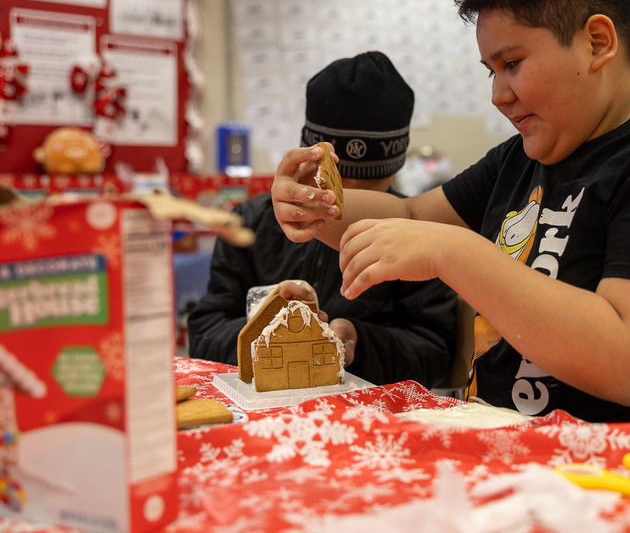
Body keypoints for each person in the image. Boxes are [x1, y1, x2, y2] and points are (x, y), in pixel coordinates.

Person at [271, 0, 630, 443]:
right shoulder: (524, 157)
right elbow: (414, 217)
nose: (497, 95)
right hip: (527, 456)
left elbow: (628, 363)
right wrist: (316, 204)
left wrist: (456, 254)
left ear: (598, 42)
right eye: (491, 71)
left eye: (513, 64)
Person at [187, 51, 458, 388]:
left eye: (373, 186)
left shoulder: (420, 232)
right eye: (336, 180)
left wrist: (358, 341)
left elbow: (436, 354)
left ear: (397, 169)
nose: (349, 202)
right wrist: (268, 329)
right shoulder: (250, 222)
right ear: (308, 158)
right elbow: (203, 334)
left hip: (372, 419)